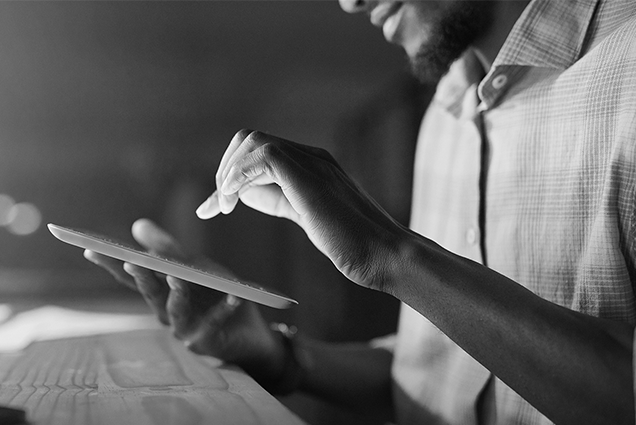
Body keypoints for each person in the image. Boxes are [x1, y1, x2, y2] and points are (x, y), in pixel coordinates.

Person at [84, 0, 636, 424]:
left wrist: (393, 256)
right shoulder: (447, 108)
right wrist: (274, 355)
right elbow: (447, 370)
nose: (349, 3)